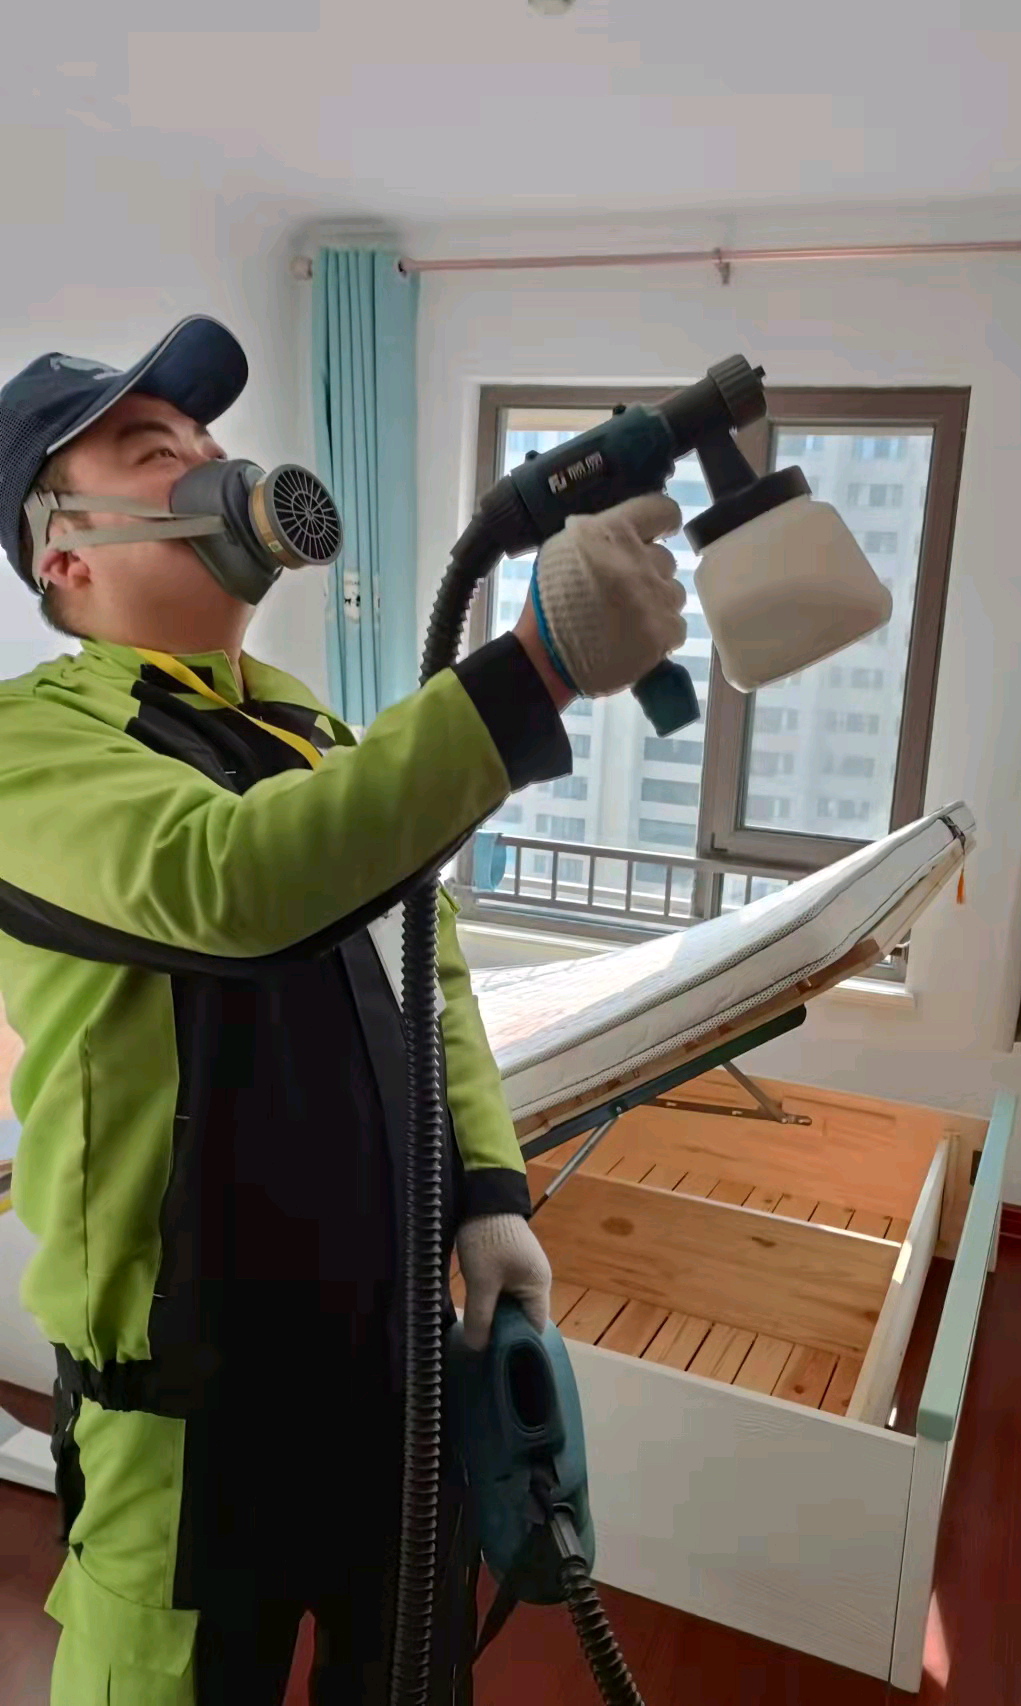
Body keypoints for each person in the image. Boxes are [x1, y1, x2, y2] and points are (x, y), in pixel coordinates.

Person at [0, 315, 686, 1704]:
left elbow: (430, 961)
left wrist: (487, 1191)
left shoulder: (306, 724)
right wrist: (533, 667)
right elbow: (231, 881)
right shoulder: (31, 744)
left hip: (395, 1371)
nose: (212, 462)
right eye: (155, 449)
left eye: (209, 436)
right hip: (189, 1416)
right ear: (63, 551)